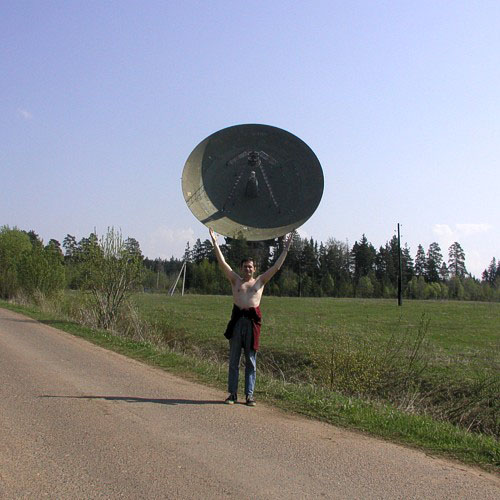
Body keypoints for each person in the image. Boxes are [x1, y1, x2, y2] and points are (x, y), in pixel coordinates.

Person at [209, 227, 293, 406]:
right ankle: (232, 394)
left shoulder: (260, 282)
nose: (248, 269)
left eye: (250, 267)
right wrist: (215, 242)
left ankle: (249, 395)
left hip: (252, 324)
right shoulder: (235, 281)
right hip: (237, 323)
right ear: (241, 268)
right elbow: (222, 263)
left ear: (254, 269)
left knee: (251, 362)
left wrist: (285, 248)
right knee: (233, 361)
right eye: (245, 267)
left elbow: (276, 267)